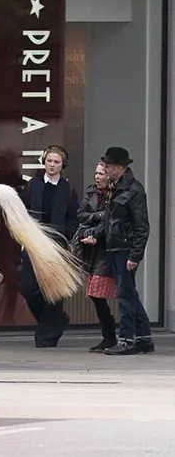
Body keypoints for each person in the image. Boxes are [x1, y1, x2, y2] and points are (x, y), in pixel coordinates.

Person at [18, 145, 78, 348]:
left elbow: (73, 218)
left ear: (63, 166)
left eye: (56, 162)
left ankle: (48, 335)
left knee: (53, 293)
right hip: (33, 244)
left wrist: (66, 240)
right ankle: (54, 320)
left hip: (57, 247)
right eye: (49, 161)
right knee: (28, 288)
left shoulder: (68, 189)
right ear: (44, 162)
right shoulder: (32, 185)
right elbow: (22, 213)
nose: (52, 165)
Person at [98, 147, 153, 355]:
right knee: (129, 293)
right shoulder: (117, 187)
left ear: (120, 167)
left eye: (109, 165)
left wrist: (135, 255)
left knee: (125, 295)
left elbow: (142, 227)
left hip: (125, 248)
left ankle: (127, 338)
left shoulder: (134, 190)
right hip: (115, 247)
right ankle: (144, 338)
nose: (106, 168)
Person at [73, 162, 117, 352]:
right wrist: (97, 217)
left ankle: (112, 336)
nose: (97, 177)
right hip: (90, 250)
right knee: (95, 295)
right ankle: (109, 336)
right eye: (96, 173)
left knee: (98, 293)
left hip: (106, 250)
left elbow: (110, 220)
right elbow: (81, 215)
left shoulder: (115, 195)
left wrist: (95, 233)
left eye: (101, 174)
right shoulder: (91, 192)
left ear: (109, 177)